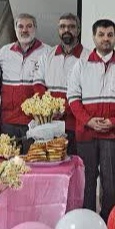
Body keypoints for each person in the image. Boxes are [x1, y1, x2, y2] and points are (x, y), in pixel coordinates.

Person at [67, 19, 115, 217]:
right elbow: (73, 97)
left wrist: (113, 122)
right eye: (101, 35)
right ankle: (88, 220)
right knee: (87, 179)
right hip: (86, 132)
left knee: (110, 180)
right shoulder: (81, 65)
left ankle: (109, 220)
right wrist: (88, 121)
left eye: (110, 35)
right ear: (93, 37)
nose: (105, 39)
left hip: (113, 133)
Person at [0, 13, 48, 140]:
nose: (24, 30)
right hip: (8, 119)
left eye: (29, 26)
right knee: (8, 152)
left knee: (33, 153)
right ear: (15, 29)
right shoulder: (4, 52)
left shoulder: (47, 52)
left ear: (35, 28)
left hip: (35, 120)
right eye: (20, 26)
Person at [44, 13, 84, 146]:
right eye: (62, 27)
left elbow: (87, 93)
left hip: (75, 124)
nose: (66, 30)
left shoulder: (88, 57)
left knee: (73, 159)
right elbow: (38, 84)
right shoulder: (47, 55)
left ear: (78, 30)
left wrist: (63, 110)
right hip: (49, 124)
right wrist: (49, 109)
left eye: (71, 27)